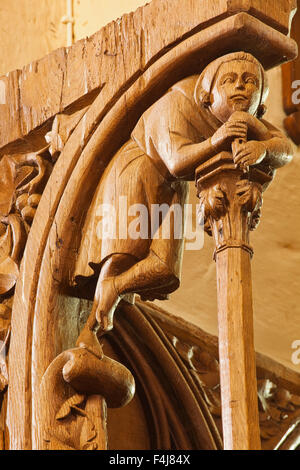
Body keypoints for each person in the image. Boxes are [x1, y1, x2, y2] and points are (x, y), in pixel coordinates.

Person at [73, 51, 293, 357]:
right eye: (229, 80)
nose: (240, 87)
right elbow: (177, 160)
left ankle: (115, 288)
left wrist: (262, 148)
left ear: (260, 99)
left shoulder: (241, 119)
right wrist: (218, 140)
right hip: (138, 167)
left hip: (171, 185)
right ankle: (89, 331)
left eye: (250, 81)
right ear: (208, 93)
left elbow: (285, 149)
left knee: (162, 269)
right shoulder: (177, 103)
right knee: (124, 253)